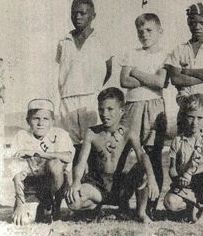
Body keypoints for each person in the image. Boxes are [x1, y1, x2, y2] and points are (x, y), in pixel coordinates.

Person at [65, 87, 159, 223]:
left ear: (121, 111)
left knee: (143, 169)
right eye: (101, 109)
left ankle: (141, 213)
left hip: (120, 185)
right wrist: (76, 182)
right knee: (73, 203)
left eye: (110, 109)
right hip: (97, 184)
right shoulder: (92, 133)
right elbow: (81, 162)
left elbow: (142, 156)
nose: (104, 114)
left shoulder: (129, 133)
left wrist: (151, 178)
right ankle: (95, 208)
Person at [119, 13, 168, 220]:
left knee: (153, 155)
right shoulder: (131, 53)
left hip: (155, 106)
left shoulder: (166, 56)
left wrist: (136, 73)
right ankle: (119, 200)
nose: (144, 34)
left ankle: (150, 206)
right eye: (140, 31)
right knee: (123, 151)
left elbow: (160, 82)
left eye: (149, 30)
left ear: (159, 31)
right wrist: (149, 78)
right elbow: (124, 81)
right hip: (132, 105)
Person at [56, 0, 112, 163]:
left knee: (93, 144)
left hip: (90, 99)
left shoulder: (101, 41)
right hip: (67, 100)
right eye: (74, 13)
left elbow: (109, 70)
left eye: (83, 13)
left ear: (92, 16)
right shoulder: (63, 42)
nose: (78, 17)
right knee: (70, 146)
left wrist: (94, 89)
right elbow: (61, 70)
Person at [164, 3, 203, 136]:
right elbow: (175, 79)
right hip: (186, 105)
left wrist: (187, 71)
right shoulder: (180, 49)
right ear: (188, 22)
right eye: (193, 22)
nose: (197, 27)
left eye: (202, 23)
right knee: (186, 149)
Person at [10, 99, 75, 225]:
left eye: (45, 119)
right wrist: (20, 204)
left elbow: (68, 157)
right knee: (24, 220)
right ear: (28, 120)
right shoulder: (21, 136)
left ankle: (54, 206)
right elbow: (16, 172)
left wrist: (36, 152)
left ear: (52, 121)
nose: (40, 123)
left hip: (54, 184)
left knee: (55, 164)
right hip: (32, 185)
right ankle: (41, 206)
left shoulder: (60, 134)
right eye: (35, 118)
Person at [163, 94, 203, 224]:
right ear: (184, 116)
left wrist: (191, 172)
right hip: (185, 186)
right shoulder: (178, 140)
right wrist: (179, 179)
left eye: (200, 118)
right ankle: (192, 208)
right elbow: (172, 168)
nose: (195, 122)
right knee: (169, 202)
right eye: (191, 117)